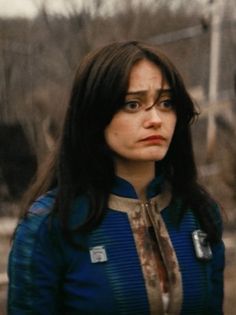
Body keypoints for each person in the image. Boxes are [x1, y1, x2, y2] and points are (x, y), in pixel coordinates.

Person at [7, 40, 225, 315]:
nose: (156, 118)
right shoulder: (49, 225)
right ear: (95, 116)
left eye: (166, 102)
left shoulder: (199, 213)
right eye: (133, 104)